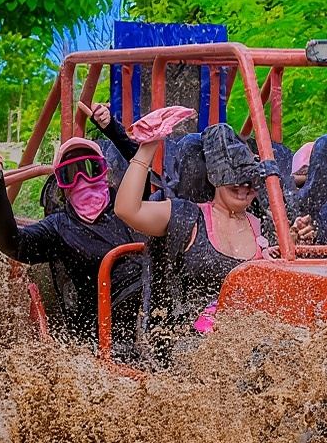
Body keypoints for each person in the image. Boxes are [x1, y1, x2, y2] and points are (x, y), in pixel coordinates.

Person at [0, 106, 144, 343]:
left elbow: (143, 170)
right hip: (107, 329)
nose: (82, 180)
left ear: (104, 172)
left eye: (90, 169)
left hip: (149, 305)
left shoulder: (126, 204)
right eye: (71, 174)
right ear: (62, 185)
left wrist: (111, 128)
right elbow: (12, 243)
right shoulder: (59, 227)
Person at [115, 119, 270, 338]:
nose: (243, 188)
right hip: (186, 340)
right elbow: (127, 209)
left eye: (250, 182)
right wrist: (148, 146)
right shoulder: (187, 216)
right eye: (235, 181)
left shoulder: (265, 226)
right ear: (214, 177)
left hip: (251, 339)